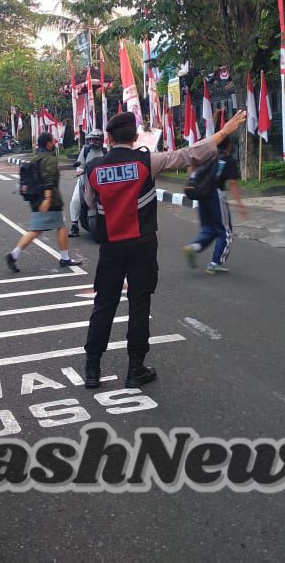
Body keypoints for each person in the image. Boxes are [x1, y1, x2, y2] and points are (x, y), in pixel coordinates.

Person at [81, 109, 248, 390]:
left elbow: (89, 203)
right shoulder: (149, 161)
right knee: (139, 304)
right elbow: (189, 154)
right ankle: (135, 369)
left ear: (108, 138)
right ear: (135, 137)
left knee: (104, 305)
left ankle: (92, 370)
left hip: (111, 247)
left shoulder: (93, 168)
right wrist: (224, 132)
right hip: (142, 246)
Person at [5, 131, 82, 271]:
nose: (55, 143)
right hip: (49, 201)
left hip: (35, 198)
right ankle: (64, 258)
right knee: (60, 227)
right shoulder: (50, 159)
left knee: (36, 230)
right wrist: (47, 199)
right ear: (48, 144)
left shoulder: (36, 158)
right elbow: (49, 180)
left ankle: (14, 254)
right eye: (53, 141)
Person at [183, 137, 247, 274]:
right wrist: (240, 205)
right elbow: (233, 184)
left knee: (209, 229)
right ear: (229, 145)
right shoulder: (228, 159)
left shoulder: (207, 156)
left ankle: (194, 247)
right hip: (216, 195)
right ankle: (215, 263)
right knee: (225, 231)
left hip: (201, 195)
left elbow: (191, 167)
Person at [69, 130, 106, 237]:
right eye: (91, 139)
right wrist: (79, 170)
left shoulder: (105, 151)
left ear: (101, 140)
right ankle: (74, 225)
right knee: (75, 200)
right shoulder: (85, 150)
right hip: (86, 180)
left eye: (96, 139)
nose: (93, 141)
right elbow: (80, 164)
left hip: (101, 182)